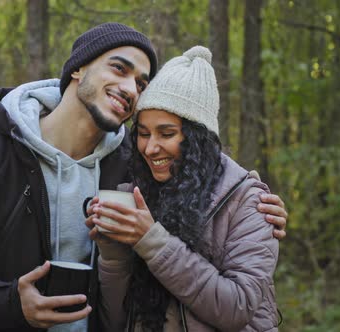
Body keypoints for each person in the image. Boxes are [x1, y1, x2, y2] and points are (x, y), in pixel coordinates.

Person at [0, 23, 286, 332]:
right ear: (78, 67)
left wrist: (256, 204)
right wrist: (10, 304)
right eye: (119, 68)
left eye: (142, 82)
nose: (130, 87)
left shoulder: (131, 170)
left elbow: (204, 176)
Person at [87, 46, 281, 331]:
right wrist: (113, 255)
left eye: (167, 133)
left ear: (197, 138)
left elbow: (236, 307)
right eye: (142, 134)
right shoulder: (138, 195)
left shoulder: (248, 202)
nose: (151, 148)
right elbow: (117, 320)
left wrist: (152, 241)